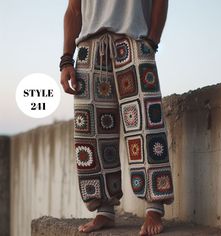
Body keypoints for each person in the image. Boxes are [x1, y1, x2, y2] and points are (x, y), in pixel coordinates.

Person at [60, 0, 174, 235]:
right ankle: (104, 210)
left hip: (133, 40)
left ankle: (154, 207)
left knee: (145, 125)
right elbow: (74, 9)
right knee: (91, 134)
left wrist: (152, 41)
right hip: (89, 48)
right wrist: (66, 59)